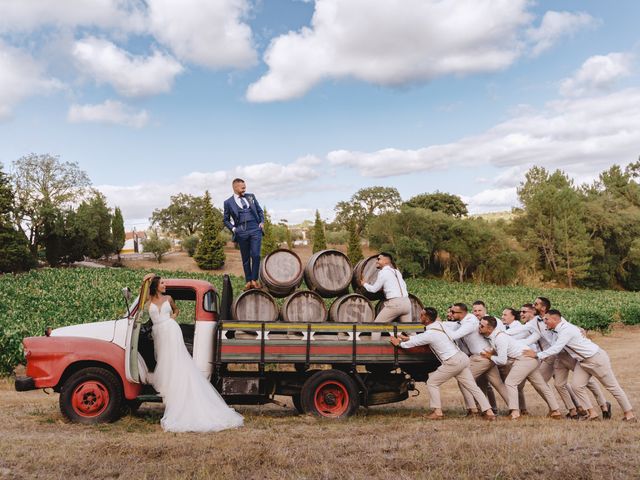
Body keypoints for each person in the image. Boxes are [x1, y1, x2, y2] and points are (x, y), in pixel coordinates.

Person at [144, 273, 244, 432]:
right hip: (158, 332)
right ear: (155, 285)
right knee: (164, 359)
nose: (165, 285)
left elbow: (176, 311)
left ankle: (175, 390)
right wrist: (146, 278)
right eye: (162, 282)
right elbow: (140, 295)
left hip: (170, 330)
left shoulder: (168, 298)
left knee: (175, 359)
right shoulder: (148, 301)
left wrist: (170, 319)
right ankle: (169, 388)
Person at [524, 310, 636, 422]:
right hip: (582, 362)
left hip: (596, 358)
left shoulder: (566, 330)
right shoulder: (557, 330)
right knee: (576, 386)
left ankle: (629, 415)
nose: (544, 321)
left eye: (547, 319)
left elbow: (556, 348)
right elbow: (554, 345)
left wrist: (537, 355)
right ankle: (592, 414)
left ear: (555, 320)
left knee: (612, 387)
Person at [390, 307, 496, 421]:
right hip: (461, 358)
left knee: (432, 382)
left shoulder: (430, 333)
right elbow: (420, 338)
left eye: (421, 315)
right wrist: (407, 338)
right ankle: (489, 412)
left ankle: (437, 411)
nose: (419, 317)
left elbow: (415, 342)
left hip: (452, 361)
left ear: (426, 318)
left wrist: (399, 343)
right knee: (472, 386)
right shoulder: (439, 325)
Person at [479, 316, 561, 420]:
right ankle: (555, 411)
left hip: (524, 359)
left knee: (510, 382)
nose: (479, 327)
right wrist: (493, 352)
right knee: (540, 384)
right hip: (527, 359)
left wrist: (490, 356)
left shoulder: (499, 338)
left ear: (490, 329)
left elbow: (502, 361)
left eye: (482, 326)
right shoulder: (496, 336)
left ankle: (515, 413)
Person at [446, 303, 509, 415]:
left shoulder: (470, 321)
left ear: (462, 313)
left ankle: (473, 410)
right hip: (484, 356)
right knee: (497, 383)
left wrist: (437, 332)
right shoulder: (463, 322)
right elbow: (452, 326)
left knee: (464, 381)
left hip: (481, 357)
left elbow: (454, 335)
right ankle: (515, 409)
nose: (450, 314)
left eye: (453, 312)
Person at [223, 178, 264, 291]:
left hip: (255, 228)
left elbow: (260, 211)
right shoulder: (228, 202)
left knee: (256, 255)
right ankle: (248, 281)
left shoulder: (251, 196)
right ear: (235, 187)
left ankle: (254, 280)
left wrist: (262, 222)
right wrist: (234, 229)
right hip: (241, 231)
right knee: (245, 258)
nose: (245, 189)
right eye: (242, 187)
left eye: (245, 187)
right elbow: (225, 220)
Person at [362, 252, 411, 341]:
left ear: (385, 262)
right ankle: (418, 348)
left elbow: (373, 289)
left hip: (395, 303)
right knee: (410, 330)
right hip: (407, 302)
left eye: (379, 259)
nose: (376, 261)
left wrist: (364, 284)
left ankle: (374, 349)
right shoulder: (397, 272)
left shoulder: (383, 272)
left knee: (376, 326)